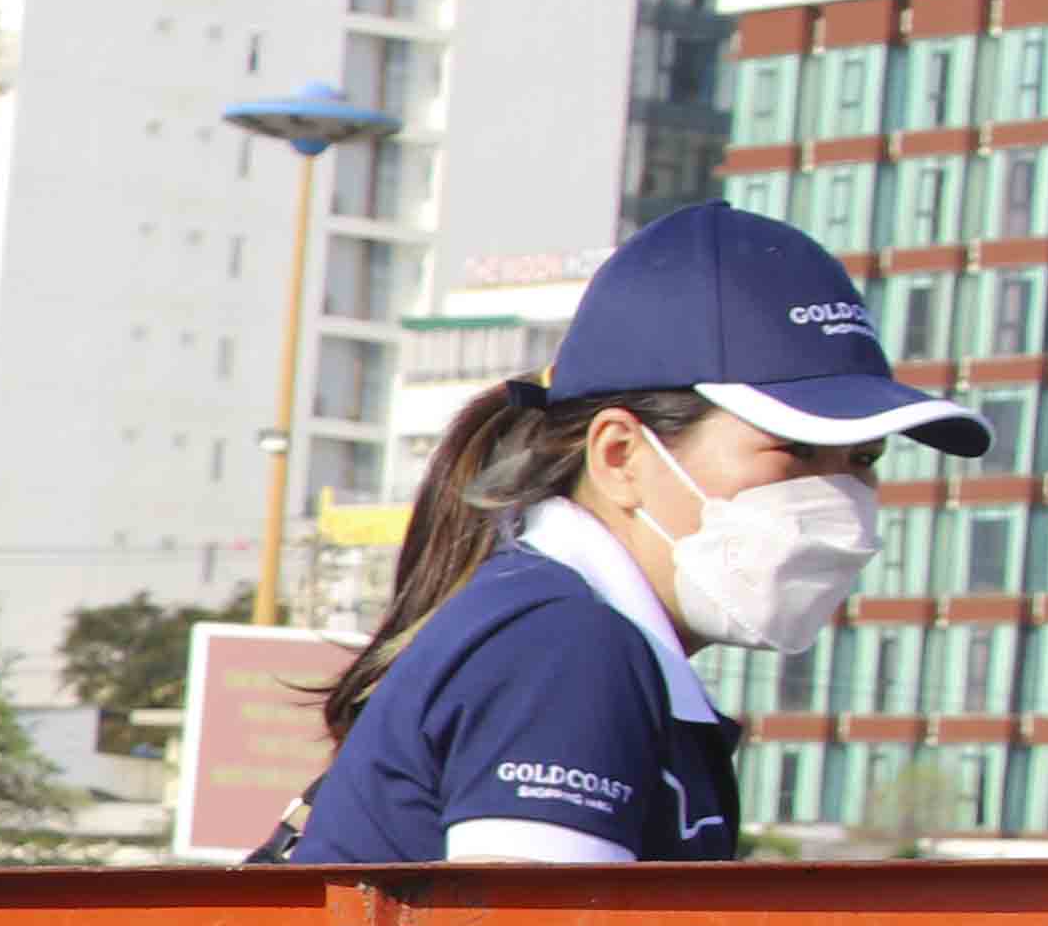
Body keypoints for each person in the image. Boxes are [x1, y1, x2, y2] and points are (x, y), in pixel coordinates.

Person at [282, 201, 981, 865]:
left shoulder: (565, 629)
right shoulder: (563, 647)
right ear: (619, 456)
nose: (837, 495)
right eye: (793, 450)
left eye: (864, 459)